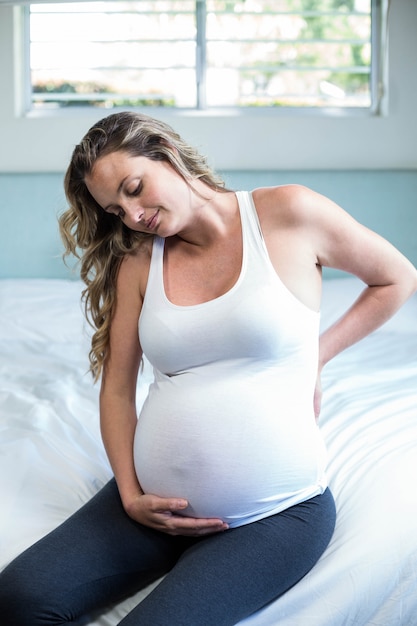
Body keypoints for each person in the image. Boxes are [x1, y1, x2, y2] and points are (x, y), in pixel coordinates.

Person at [0, 111, 416, 626]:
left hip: (275, 514)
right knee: (16, 597)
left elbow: (397, 278)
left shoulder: (289, 212)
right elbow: (116, 391)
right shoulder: (138, 263)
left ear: (167, 153)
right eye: (116, 208)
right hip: (152, 508)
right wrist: (131, 495)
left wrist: (318, 355)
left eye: (135, 188)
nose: (132, 215)